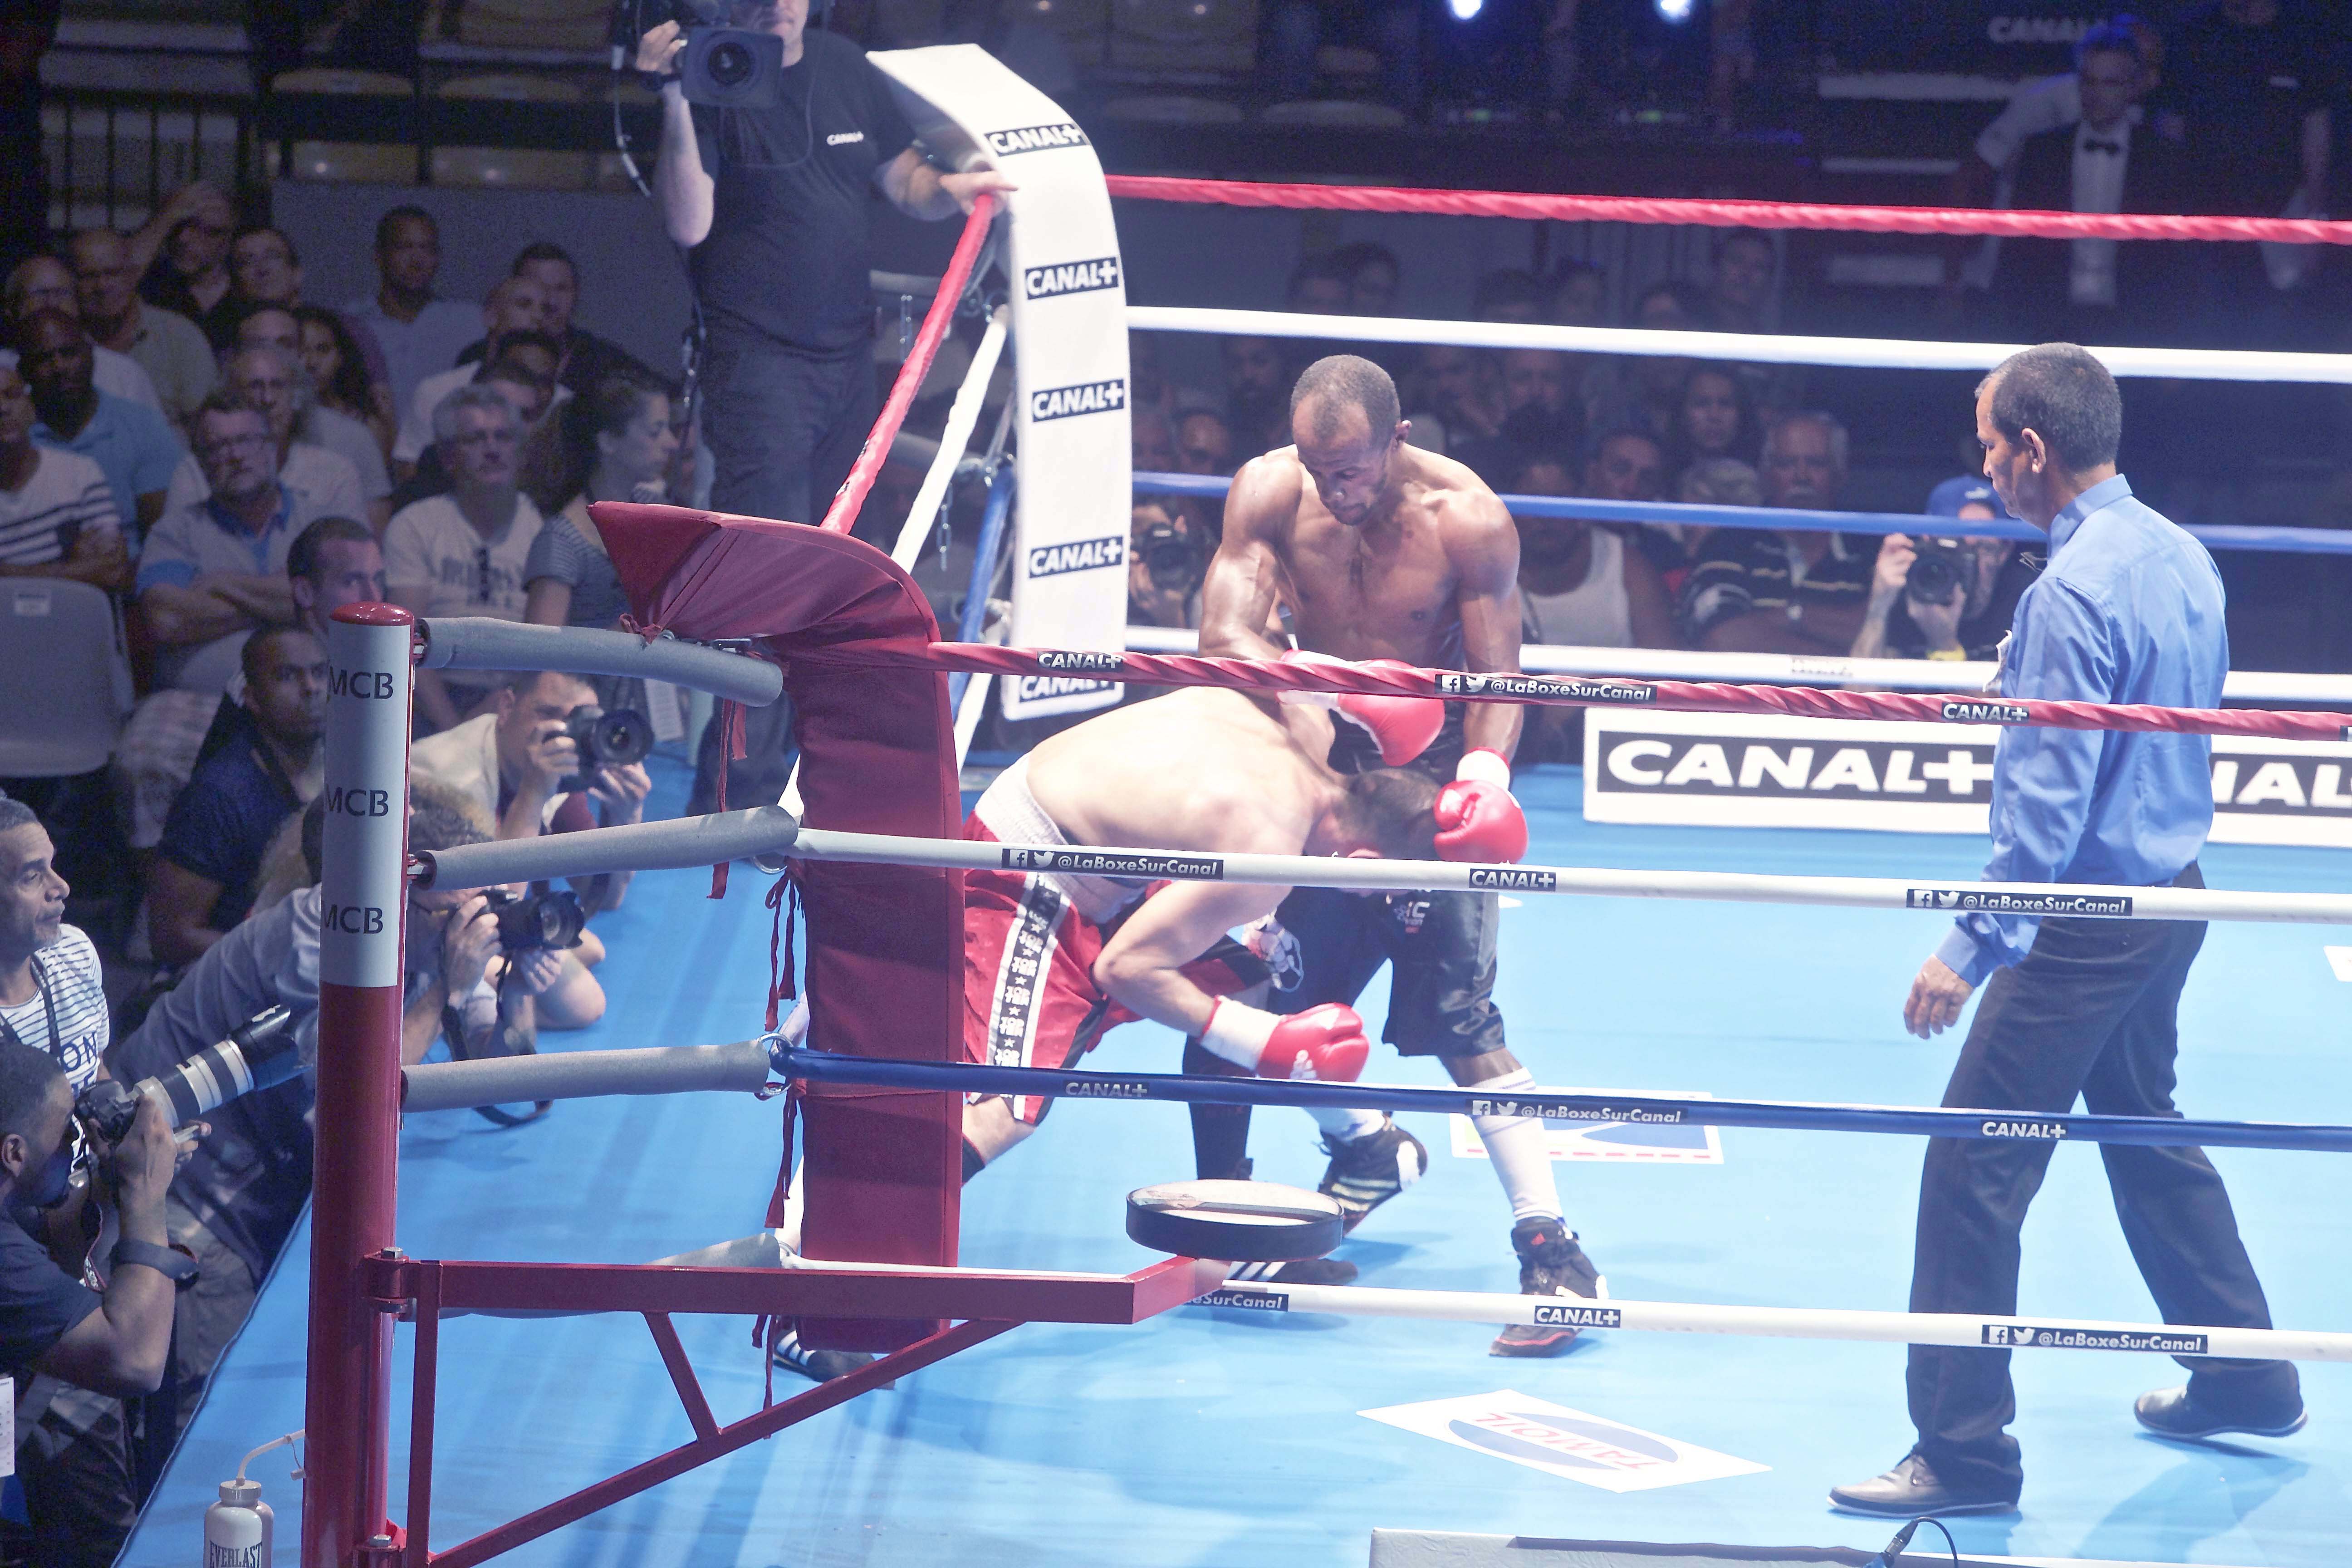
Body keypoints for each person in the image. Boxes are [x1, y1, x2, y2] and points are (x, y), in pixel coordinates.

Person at [1833, 343, 2304, 1517]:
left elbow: (2049, 798)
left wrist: (1972, 943)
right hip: (2173, 890)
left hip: (2091, 918)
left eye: (1991, 446)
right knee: (2145, 1130)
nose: (1984, 468)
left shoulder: (2072, 592)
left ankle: (1965, 1451)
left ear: (2031, 451)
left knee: (1975, 1165)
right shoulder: (2178, 552)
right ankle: (2245, 1377)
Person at [1202, 354, 1603, 1357]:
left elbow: (1501, 672)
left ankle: (1556, 1256)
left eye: (1351, 469)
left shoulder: (1465, 517)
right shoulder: (1268, 491)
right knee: (1249, 1001)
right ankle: (1256, 1210)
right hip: (1316, 771)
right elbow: (1221, 632)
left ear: (1397, 438)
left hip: (1423, 790)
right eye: (1317, 467)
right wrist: (1315, 691)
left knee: (1463, 1025)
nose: (1334, 490)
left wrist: (1486, 779)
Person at [111, 793, 576, 1434]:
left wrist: (508, 983)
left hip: (256, 1178)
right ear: (400, 898)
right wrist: (447, 987)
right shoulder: (320, 946)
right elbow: (352, 1113)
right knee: (216, 1415)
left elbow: (501, 1081)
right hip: (188, 1190)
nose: (474, 923)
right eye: (458, 912)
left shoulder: (420, 932)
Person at [958, 684, 1456, 1191]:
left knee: (1239, 982)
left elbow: (1261, 648)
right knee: (1006, 1109)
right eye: (1383, 890)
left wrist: (1346, 689)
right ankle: (882, 1237)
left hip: (1078, 833)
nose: (1381, 900)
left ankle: (1222, 1201)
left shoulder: (1305, 720)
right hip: (1027, 867)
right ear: (1364, 866)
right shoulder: (1267, 858)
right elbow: (1125, 970)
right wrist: (1259, 1042)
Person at [636, 0, 1011, 535]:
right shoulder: (713, 70)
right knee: (766, 545)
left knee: (848, 542)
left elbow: (905, 181)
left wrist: (953, 190)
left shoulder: (844, 63)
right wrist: (674, 95)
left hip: (849, 355)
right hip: (759, 359)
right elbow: (689, 226)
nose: (777, 4)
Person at [111, 516, 380, 871]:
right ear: (304, 593)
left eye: (378, 580)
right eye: (352, 582)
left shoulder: (373, 662)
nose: (374, 598)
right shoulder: (264, 685)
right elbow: (220, 804)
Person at [1988, 24, 2185, 346]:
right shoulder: (2042, 153)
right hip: (2051, 324)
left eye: (2110, 83)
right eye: (2088, 81)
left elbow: (2175, 263)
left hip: (2135, 325)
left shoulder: (2164, 160)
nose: (2095, 94)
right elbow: (2017, 252)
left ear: (2134, 88)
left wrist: (2172, 344)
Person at [408, 666, 652, 927]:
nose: (562, 736)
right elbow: (486, 920)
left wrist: (625, 817)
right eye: (548, 715)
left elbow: (604, 897)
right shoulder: (443, 784)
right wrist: (533, 793)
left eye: (580, 721)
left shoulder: (558, 768)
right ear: (506, 707)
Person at [145, 627, 324, 965]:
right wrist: (282, 955)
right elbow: (172, 936)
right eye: (287, 676)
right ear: (252, 697)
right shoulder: (217, 797)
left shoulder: (349, 765)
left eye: (319, 673)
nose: (311, 688)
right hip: (238, 982)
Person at [2161, 0, 2337, 327]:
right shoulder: (2194, 34)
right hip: (2206, 222)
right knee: (2206, 330)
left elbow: (2317, 129)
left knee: (2283, 333)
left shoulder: (2304, 35)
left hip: (2284, 215)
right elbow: (2172, 128)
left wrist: (2315, 219)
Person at [136, 393, 325, 692]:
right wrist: (286, 600)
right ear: (200, 462)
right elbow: (167, 619)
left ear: (272, 448)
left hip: (312, 698)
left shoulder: (320, 524)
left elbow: (335, 606)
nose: (235, 456)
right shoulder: (174, 531)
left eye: (247, 440)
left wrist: (223, 583)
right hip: (200, 703)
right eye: (217, 447)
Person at [385, 384, 546, 730]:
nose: (492, 450)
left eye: (503, 437)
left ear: (520, 450)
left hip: (520, 690)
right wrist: (454, 734)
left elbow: (546, 648)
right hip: (431, 693)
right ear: (447, 457)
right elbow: (406, 644)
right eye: (475, 439)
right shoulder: (414, 525)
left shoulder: (546, 528)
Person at [524, 375, 678, 710]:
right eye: (655, 431)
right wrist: (621, 635)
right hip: (585, 714)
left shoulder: (659, 519)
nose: (672, 443)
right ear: (608, 441)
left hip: (650, 710)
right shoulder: (561, 541)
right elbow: (538, 662)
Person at [1510, 451, 1675, 763]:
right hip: (1510, 731)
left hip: (1615, 735)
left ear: (1581, 504)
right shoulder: (1482, 566)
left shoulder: (1627, 565)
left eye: (1558, 502)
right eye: (1532, 502)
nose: (1545, 517)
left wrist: (1578, 699)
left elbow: (1668, 673)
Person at [1677, 410, 1876, 655]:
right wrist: (1846, 662)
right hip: (1751, 694)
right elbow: (1722, 639)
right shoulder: (1728, 542)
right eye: (1787, 464)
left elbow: (1887, 631)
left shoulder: (1871, 550)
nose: (1801, 477)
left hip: (1839, 696)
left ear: (1840, 475)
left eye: (1816, 464)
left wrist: (1790, 617)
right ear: (1766, 475)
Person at [15, 309, 181, 542]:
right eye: (44, 359)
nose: (59, 367)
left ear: (91, 355)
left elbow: (167, 532)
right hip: (36, 571)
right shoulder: (12, 438)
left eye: (69, 353)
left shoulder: (141, 424)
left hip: (133, 570)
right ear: (24, 372)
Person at [163, 344, 367, 527]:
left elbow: (353, 561)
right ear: (229, 396)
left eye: (278, 386)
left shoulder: (335, 474)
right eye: (254, 386)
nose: (267, 399)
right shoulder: (193, 474)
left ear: (296, 398)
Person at [1852, 477, 2039, 663]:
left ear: (2004, 551)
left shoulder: (2025, 600)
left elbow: (2015, 694)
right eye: (1955, 545)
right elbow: (1861, 692)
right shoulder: (1907, 583)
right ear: (1927, 540)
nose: (1970, 561)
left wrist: (1944, 644)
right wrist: (1879, 607)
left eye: (1983, 548)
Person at [230, 310, 395, 521]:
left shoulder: (353, 438)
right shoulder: (210, 447)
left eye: (283, 346)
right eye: (258, 347)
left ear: (301, 356)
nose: (271, 359)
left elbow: (371, 542)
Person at [393, 275, 551, 475]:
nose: (538, 316)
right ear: (490, 316)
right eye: (524, 305)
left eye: (546, 310)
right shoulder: (437, 391)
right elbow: (409, 471)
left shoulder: (561, 399)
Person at [453, 243, 653, 399]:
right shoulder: (476, 357)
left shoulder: (601, 361)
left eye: (561, 289)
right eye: (538, 286)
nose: (549, 301)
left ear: (576, 295)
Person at [66, 228, 216, 430]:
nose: (102, 286)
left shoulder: (180, 337)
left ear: (133, 274)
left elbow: (209, 426)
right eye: (88, 276)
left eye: (113, 273)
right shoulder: (64, 344)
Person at [342, 206, 483, 418]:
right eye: (405, 248)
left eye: (428, 249)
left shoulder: (470, 323)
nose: (417, 261)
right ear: (379, 256)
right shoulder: (350, 324)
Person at [0, 359, 127, 590]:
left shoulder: (80, 473)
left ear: (30, 404)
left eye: (11, 395)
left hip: (75, 618)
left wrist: (9, 572)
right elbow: (94, 571)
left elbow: (111, 570)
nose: (3, 409)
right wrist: (75, 567)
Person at [5, 255, 165, 413]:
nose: (52, 303)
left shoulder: (122, 374)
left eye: (62, 293)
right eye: (40, 294)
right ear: (12, 308)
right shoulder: (3, 367)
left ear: (77, 305)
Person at [129, 182, 239, 345]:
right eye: (178, 227)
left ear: (228, 235)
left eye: (203, 229)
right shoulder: (153, 281)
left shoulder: (244, 286)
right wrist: (168, 216)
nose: (184, 238)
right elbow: (121, 274)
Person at [1263, 0, 1422, 112]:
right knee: (1293, 30)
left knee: (1404, 29)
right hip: (1312, 10)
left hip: (1379, 11)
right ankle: (1286, 123)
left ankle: (1409, 126)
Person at [296, 304, 396, 461]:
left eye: (323, 349)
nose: (312, 362)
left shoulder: (365, 425)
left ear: (340, 357)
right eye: (300, 351)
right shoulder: (277, 421)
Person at [1667, 363, 1760, 484]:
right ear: (1682, 412)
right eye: (1702, 404)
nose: (1714, 416)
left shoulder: (1761, 480)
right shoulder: (1659, 475)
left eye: (1725, 404)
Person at [1124, 499, 1205, 631]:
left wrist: (1170, 618)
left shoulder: (1202, 585)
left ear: (1181, 528)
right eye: (1140, 539)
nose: (1151, 547)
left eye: (1161, 533)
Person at [1221, 335, 1293, 459]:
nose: (1247, 375)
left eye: (1260, 361)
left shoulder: (1307, 432)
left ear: (1282, 363)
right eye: (1236, 365)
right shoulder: (1224, 437)